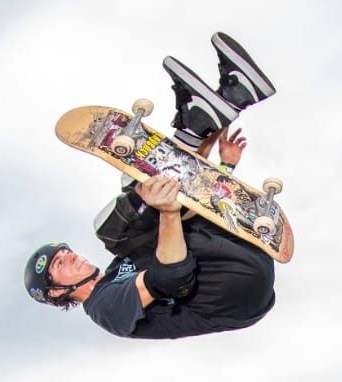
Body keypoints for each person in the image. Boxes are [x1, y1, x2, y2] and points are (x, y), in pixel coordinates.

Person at [25, 35, 282, 341]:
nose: (72, 257)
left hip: (244, 260)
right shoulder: (104, 308)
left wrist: (219, 157)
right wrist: (168, 214)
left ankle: (232, 97)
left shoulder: (122, 264)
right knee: (114, 228)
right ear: (56, 291)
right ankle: (196, 124)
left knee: (156, 206)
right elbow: (172, 278)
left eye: (65, 252)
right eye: (60, 263)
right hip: (231, 293)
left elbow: (192, 193)